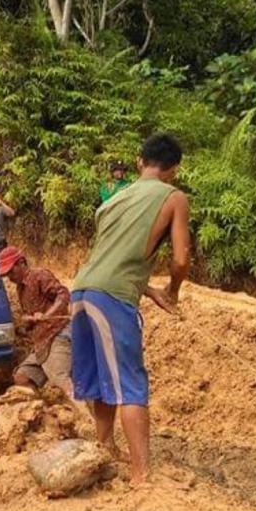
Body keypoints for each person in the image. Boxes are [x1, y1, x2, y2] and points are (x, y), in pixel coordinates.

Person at [71, 132, 191, 486]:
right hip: (113, 297)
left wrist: (148, 290)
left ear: (140, 162)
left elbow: (112, 257)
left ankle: (105, 445)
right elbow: (181, 259)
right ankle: (141, 474)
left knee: (100, 378)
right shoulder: (174, 198)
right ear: (175, 169)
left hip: (81, 291)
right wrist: (172, 289)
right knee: (130, 384)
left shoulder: (114, 199)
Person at [0, 246, 73, 398]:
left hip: (57, 335)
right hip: (41, 343)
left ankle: (87, 416)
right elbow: (30, 322)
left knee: (60, 379)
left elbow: (63, 294)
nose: (10, 277)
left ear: (22, 263)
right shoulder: (20, 289)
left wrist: (47, 314)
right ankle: (39, 411)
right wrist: (27, 322)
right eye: (7, 274)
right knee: (22, 377)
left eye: (11, 271)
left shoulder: (39, 276)